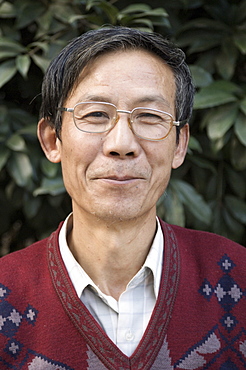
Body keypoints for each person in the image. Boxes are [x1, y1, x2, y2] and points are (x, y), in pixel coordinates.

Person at [0, 26, 245, 370]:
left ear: (179, 144)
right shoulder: (5, 295)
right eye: (96, 115)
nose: (122, 143)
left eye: (148, 117)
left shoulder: (238, 281)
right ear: (52, 140)